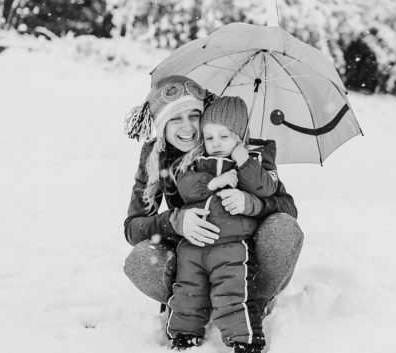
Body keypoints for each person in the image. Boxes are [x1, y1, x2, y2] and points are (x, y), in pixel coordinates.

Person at [122, 75, 304, 323]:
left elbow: (287, 207)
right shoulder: (155, 158)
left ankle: (256, 300)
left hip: (243, 255)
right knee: (142, 258)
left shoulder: (234, 144)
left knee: (284, 227)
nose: (188, 128)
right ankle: (189, 304)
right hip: (193, 259)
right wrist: (176, 221)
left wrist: (251, 203)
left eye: (194, 116)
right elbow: (133, 227)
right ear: (162, 125)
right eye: (175, 118)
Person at [165, 95, 276, 353]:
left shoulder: (254, 161)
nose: (215, 143)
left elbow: (266, 189)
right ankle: (183, 334)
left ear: (240, 136)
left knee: (232, 291)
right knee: (188, 291)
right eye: (210, 136)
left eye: (224, 136)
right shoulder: (196, 161)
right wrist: (214, 183)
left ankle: (245, 341)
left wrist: (243, 160)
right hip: (193, 245)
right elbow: (185, 186)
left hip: (232, 245)